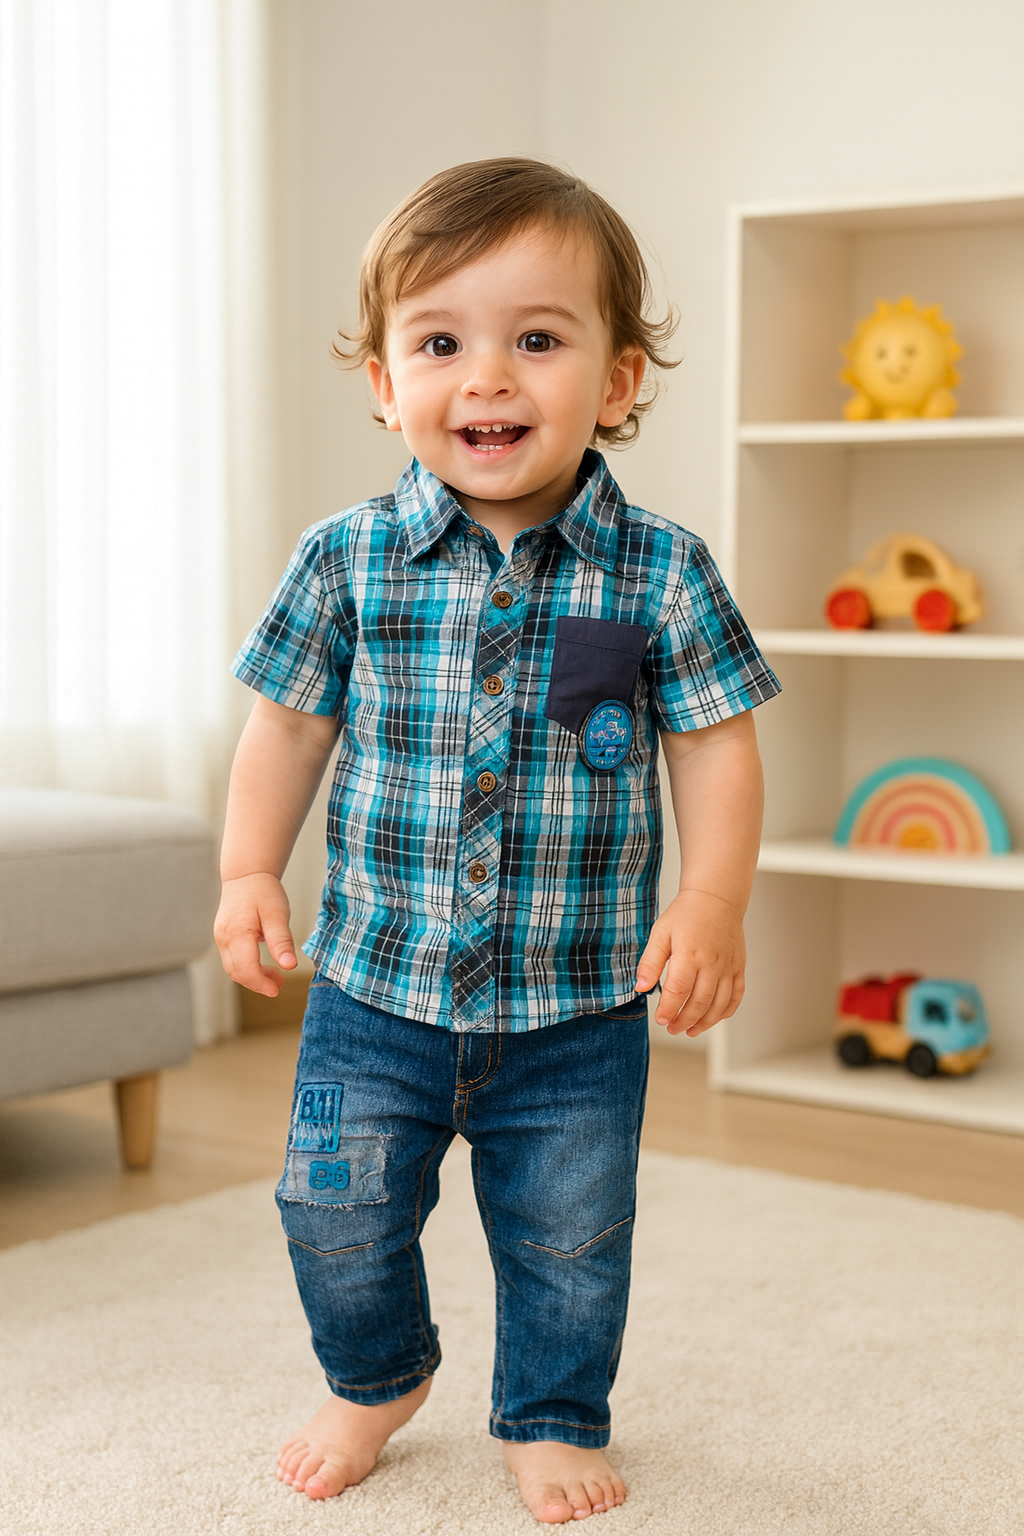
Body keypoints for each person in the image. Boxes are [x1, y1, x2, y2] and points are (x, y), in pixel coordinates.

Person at [214, 157, 779, 1524]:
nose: (488, 380)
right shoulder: (342, 558)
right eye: (440, 342)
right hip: (373, 988)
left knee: (571, 1242)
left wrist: (710, 900)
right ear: (382, 380)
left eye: (538, 339)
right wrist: (245, 870)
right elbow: (287, 730)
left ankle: (549, 1409)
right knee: (331, 1214)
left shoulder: (664, 570)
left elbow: (714, 743)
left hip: (576, 1005)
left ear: (622, 379)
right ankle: (377, 1375)